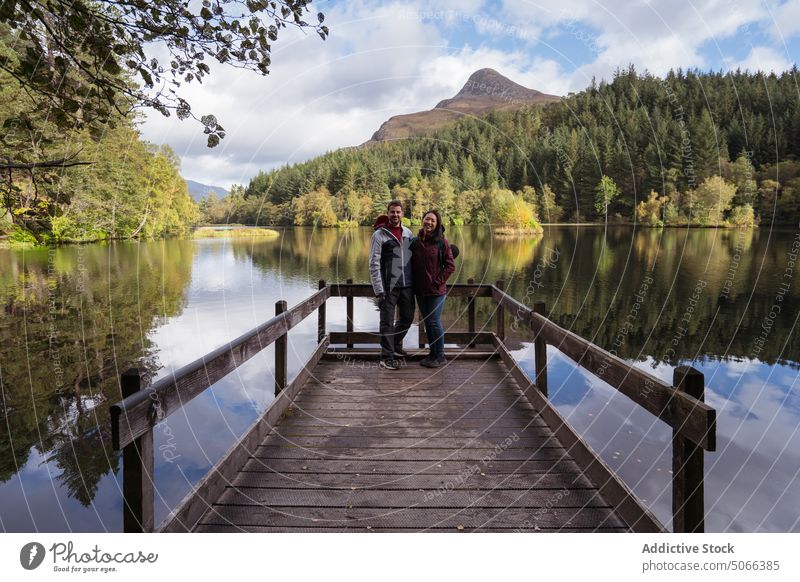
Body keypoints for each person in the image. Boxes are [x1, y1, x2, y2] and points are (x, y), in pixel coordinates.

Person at [369, 200, 415, 370]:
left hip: (407, 285)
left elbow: (411, 258)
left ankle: (394, 345)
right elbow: (373, 263)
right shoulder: (379, 235)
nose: (395, 215)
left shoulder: (408, 233)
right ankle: (386, 357)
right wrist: (379, 290)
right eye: (392, 212)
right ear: (387, 213)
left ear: (402, 214)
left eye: (398, 212)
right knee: (387, 322)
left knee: (407, 318)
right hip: (388, 287)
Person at [411, 210, 455, 368]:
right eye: (427, 219)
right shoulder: (416, 241)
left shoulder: (441, 242)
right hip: (420, 291)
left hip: (436, 291)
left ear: (437, 224)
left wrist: (437, 282)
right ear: (422, 220)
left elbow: (450, 266)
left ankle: (440, 356)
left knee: (434, 322)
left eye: (432, 221)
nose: (429, 222)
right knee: (428, 322)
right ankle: (433, 353)